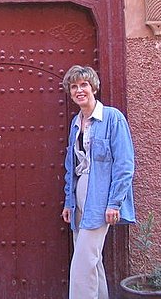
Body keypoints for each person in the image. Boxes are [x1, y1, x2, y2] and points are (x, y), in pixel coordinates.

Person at [61, 65, 136, 299]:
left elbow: (124, 164)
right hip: (79, 195)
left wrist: (114, 202)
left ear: (93, 87)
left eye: (84, 84)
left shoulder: (112, 118)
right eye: (74, 86)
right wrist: (69, 202)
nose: (79, 90)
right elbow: (71, 166)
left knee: (83, 263)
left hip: (101, 198)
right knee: (93, 261)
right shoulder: (76, 123)